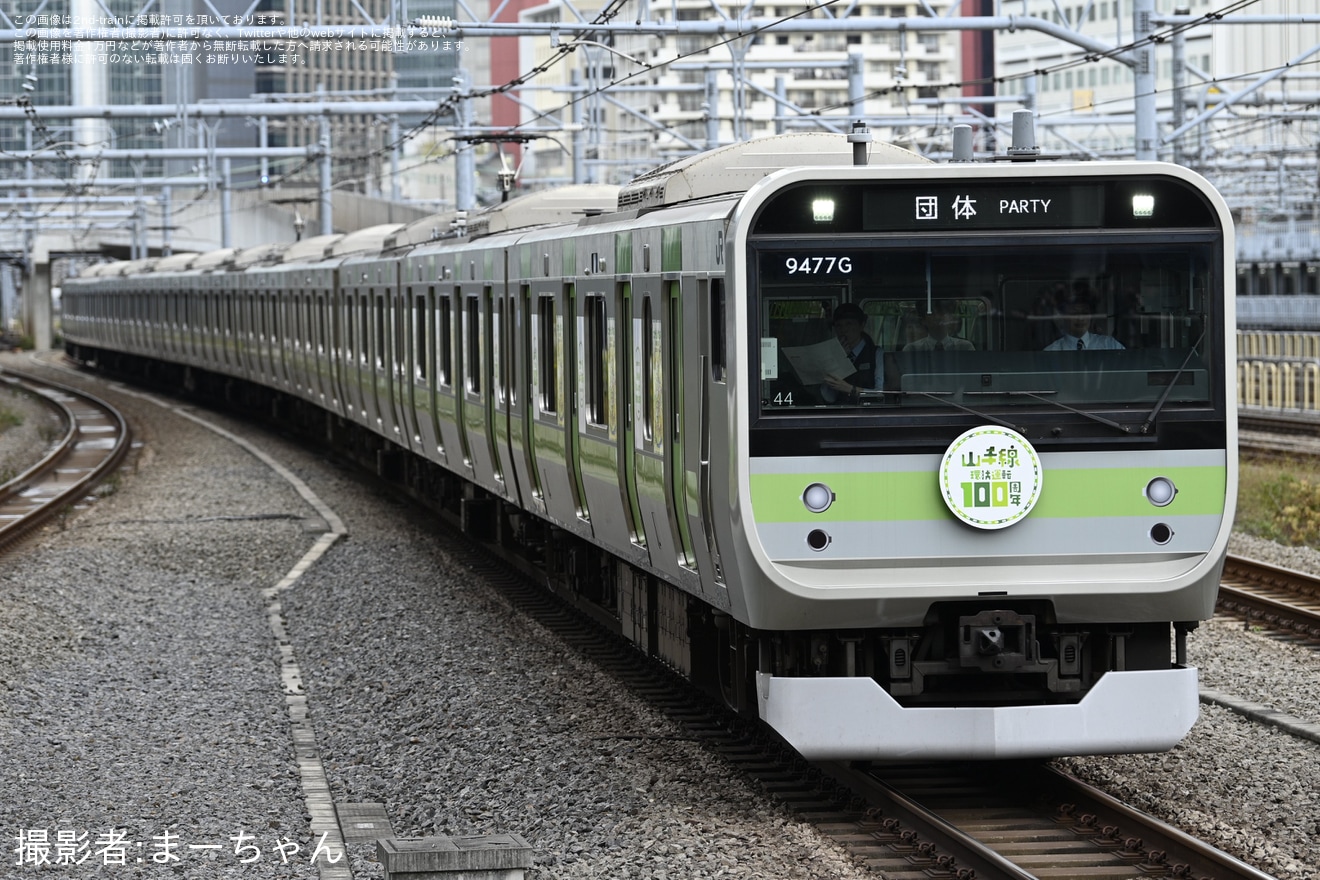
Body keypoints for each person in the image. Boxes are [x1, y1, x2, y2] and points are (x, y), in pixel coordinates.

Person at [820, 302, 881, 403]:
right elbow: (828, 397)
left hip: (869, 412)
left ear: (861, 325)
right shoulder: (833, 355)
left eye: (849, 323)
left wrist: (849, 388)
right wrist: (838, 359)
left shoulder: (876, 353)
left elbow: (880, 393)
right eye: (839, 326)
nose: (844, 330)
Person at [1043, 295, 1125, 351]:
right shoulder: (1052, 351)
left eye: (1085, 313)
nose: (1080, 318)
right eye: (1074, 314)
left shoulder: (1110, 345)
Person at [903, 302, 975, 352]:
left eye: (942, 312)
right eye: (932, 313)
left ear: (951, 317)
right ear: (923, 320)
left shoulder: (965, 347)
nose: (938, 317)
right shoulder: (912, 350)